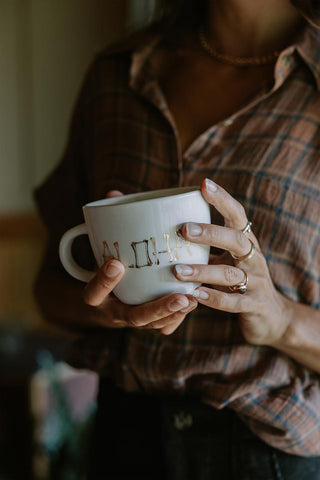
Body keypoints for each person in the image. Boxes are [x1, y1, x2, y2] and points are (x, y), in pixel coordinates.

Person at [34, 0, 320, 478]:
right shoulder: (117, 75)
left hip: (266, 451)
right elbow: (48, 290)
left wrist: (279, 318)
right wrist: (109, 308)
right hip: (123, 436)